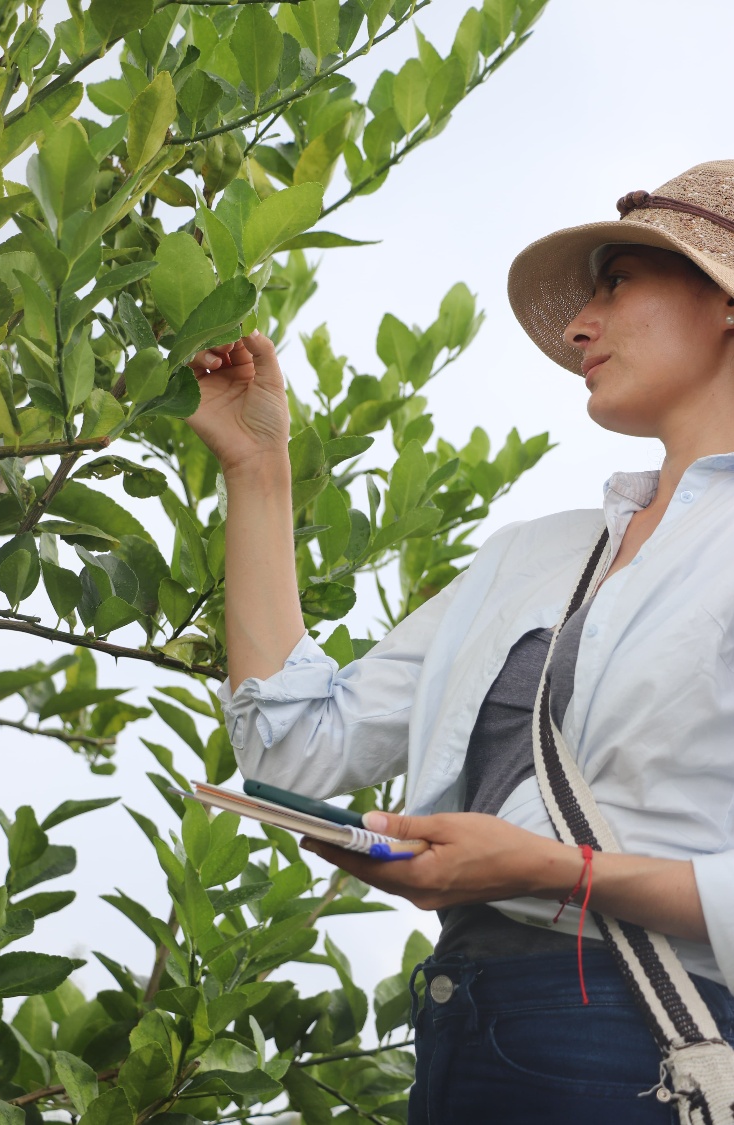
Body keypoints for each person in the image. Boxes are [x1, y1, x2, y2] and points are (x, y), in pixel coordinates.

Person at [185, 160, 734, 1123]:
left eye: (618, 281)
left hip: (648, 1040)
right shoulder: (536, 553)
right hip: (463, 1021)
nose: (578, 326)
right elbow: (298, 743)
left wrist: (547, 869)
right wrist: (258, 471)